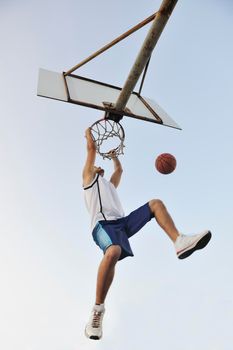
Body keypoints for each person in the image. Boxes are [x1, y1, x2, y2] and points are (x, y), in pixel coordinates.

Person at [83, 127, 211, 340]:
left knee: (155, 204)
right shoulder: (88, 180)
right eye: (95, 165)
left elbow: (120, 172)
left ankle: (179, 241)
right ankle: (97, 311)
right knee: (113, 251)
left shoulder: (109, 186)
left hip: (122, 223)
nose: (97, 166)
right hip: (103, 226)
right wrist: (90, 132)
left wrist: (114, 158)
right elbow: (91, 149)